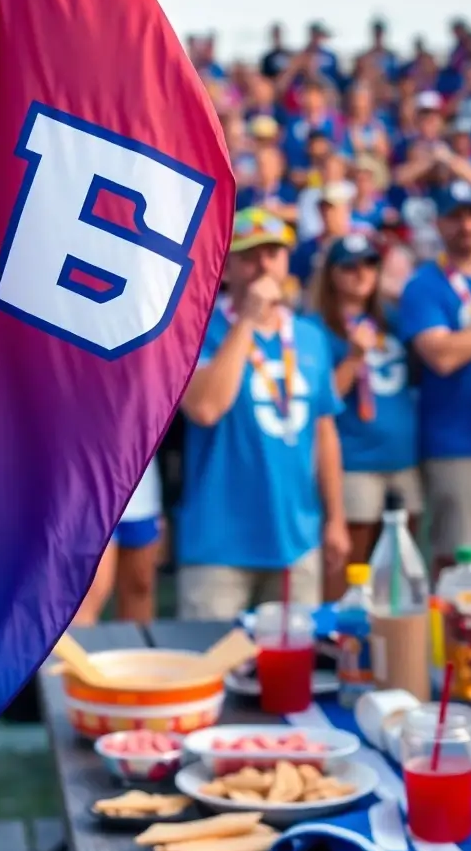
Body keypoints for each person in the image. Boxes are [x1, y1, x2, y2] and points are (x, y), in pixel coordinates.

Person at [176, 208, 348, 618]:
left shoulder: (309, 336)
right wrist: (247, 322)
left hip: (295, 540)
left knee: (293, 672)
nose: (264, 265)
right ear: (227, 266)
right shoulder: (196, 328)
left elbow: (324, 432)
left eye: (274, 252)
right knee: (210, 671)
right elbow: (204, 408)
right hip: (217, 543)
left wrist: (336, 518)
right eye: (250, 255)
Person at [398, 181, 471, 594]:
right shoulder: (424, 285)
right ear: (439, 225)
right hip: (457, 444)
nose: (465, 225)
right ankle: (452, 649)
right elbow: (442, 356)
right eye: (454, 216)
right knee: (453, 557)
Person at [310, 233, 421, 594]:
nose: (362, 273)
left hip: (403, 461)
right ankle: (340, 644)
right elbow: (320, 399)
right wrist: (354, 357)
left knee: (401, 575)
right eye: (350, 266)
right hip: (353, 461)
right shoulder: (314, 328)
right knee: (349, 573)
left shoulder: (395, 318)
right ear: (331, 274)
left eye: (371, 263)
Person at [73, 458, 163, 625]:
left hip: (140, 481)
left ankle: (136, 649)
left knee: (139, 586)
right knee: (90, 591)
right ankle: (73, 651)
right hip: (86, 480)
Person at [292, 180, 354, 288]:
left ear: (346, 210)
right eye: (323, 208)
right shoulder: (307, 247)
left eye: (332, 208)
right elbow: (294, 280)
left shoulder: (357, 245)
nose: (327, 213)